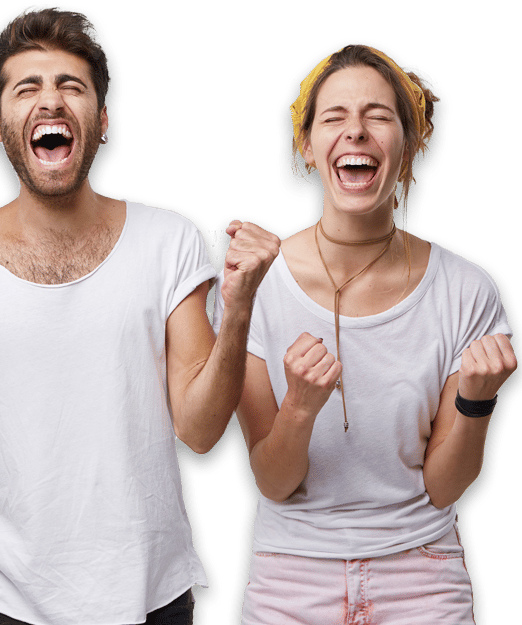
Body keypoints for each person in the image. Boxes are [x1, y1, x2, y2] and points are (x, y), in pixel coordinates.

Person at [0, 6, 279, 625]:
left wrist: (242, 303)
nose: (52, 101)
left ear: (105, 121)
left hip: (154, 598)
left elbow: (200, 431)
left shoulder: (168, 240)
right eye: (27, 88)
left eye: (72, 86)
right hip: (8, 603)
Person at [214, 43, 517, 623]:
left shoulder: (467, 289)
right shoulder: (255, 283)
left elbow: (443, 488)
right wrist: (300, 408)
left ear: (410, 144)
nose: (356, 132)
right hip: (290, 577)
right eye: (334, 118)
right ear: (307, 145)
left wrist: (478, 402)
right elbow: (274, 482)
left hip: (423, 577)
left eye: (378, 116)